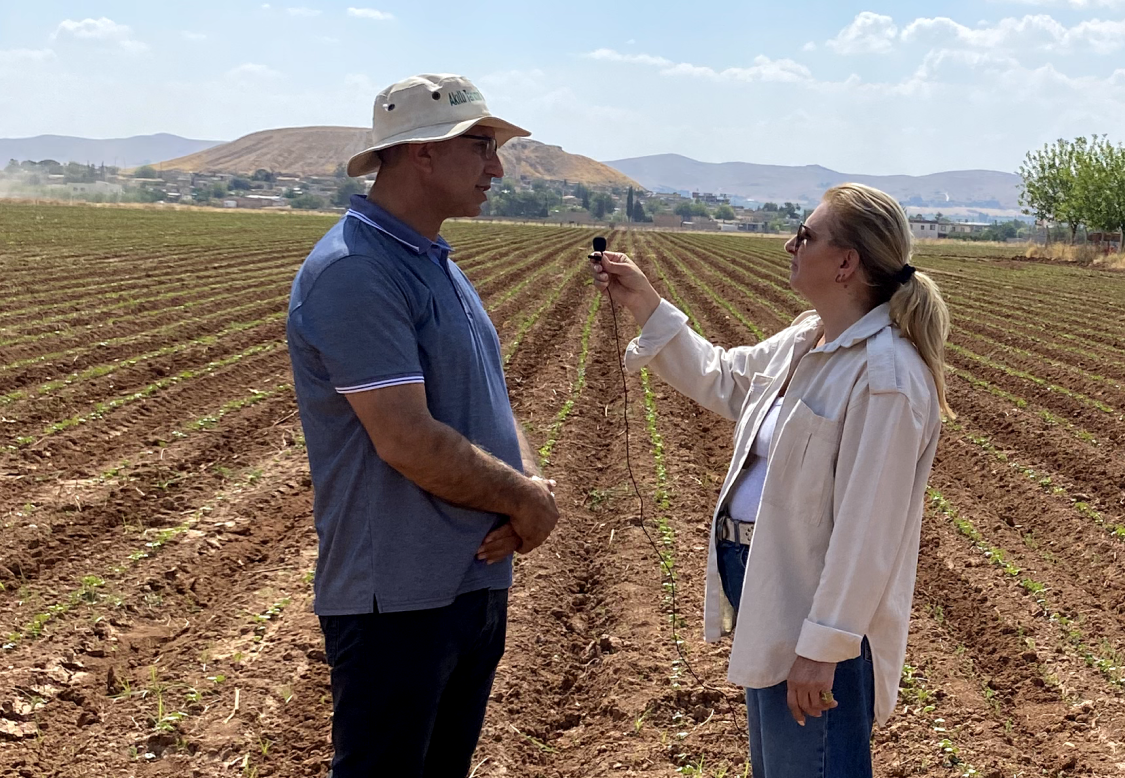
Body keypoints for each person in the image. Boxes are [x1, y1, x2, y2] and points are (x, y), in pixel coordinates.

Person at [590, 183, 950, 777]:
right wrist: (647, 307)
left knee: (810, 765)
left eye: (805, 235)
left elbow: (867, 533)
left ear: (846, 263)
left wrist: (823, 648)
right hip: (766, 582)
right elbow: (726, 378)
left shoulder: (885, 376)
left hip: (813, 608)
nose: (790, 244)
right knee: (783, 765)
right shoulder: (808, 339)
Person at [285, 73, 558, 776]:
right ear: (422, 154)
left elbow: (487, 399)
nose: (497, 167)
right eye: (481, 146)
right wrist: (525, 500)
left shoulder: (433, 261)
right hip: (397, 599)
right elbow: (407, 439)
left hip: (467, 583)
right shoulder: (356, 271)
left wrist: (527, 477)